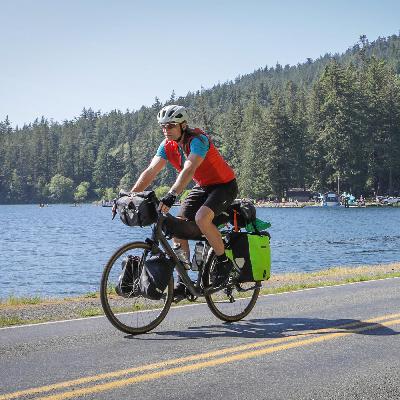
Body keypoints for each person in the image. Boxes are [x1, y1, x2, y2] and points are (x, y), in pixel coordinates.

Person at [130, 105, 238, 299]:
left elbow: (189, 169)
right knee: (177, 229)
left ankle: (223, 261)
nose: (166, 130)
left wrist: (172, 195)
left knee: (202, 217)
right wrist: (130, 196)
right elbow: (151, 171)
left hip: (224, 186)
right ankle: (184, 281)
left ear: (183, 125)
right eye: (163, 126)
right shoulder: (166, 145)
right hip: (203, 186)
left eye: (171, 125)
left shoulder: (198, 140)